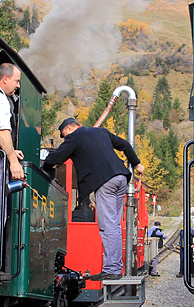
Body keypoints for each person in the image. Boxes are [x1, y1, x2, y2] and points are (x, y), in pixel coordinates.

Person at [43, 117, 143, 280]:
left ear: (68, 128)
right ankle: (115, 267)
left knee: (107, 225)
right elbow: (124, 144)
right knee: (114, 225)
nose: (65, 138)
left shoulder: (74, 137)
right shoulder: (101, 131)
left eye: (64, 134)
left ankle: (112, 270)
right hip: (121, 178)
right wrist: (136, 163)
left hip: (106, 182)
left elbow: (53, 159)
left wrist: (46, 167)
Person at [0, 63, 24, 271]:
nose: (18, 86)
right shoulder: (0, 97)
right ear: (5, 79)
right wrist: (13, 162)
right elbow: (2, 132)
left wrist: (12, 151)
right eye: (16, 80)